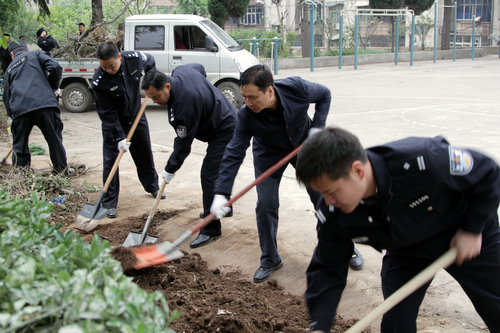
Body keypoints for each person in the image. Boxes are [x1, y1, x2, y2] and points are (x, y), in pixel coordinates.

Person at [295, 127, 500, 333]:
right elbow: (327, 269)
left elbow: (488, 172)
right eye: (322, 193)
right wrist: (320, 325)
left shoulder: (424, 160)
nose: (327, 201)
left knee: (495, 303)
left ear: (358, 171)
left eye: (331, 191)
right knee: (396, 321)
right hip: (407, 249)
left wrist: (473, 229)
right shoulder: (333, 212)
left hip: (463, 235)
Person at [210, 64, 364, 283]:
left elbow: (324, 95)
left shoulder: (297, 88)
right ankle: (270, 258)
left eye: (253, 97)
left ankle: (346, 248)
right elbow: (234, 151)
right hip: (268, 154)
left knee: (324, 198)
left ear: (270, 90)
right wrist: (222, 192)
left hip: (304, 146)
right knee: (266, 205)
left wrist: (317, 128)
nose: (247, 103)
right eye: (244, 97)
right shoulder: (246, 115)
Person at [141, 65, 237, 248]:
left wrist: (170, 168)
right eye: (150, 97)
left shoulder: (184, 105)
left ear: (167, 86)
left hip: (225, 129)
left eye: (156, 96)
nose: (154, 101)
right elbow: (200, 69)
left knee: (209, 174)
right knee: (215, 172)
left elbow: (184, 145)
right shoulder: (181, 72)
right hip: (219, 119)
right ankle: (223, 207)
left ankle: (211, 229)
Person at [91, 41, 163, 219]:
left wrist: (150, 81)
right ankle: (108, 202)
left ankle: (152, 186)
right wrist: (119, 137)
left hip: (136, 115)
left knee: (144, 152)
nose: (108, 69)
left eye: (112, 65)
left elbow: (151, 61)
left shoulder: (134, 59)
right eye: (104, 66)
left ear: (120, 57)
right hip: (114, 123)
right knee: (111, 161)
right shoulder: (99, 82)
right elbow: (106, 114)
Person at [3, 39, 67, 174]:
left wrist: (13, 117)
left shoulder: (9, 69)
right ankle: (61, 174)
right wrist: (53, 87)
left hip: (20, 110)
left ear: (12, 55)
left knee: (20, 148)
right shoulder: (36, 54)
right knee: (54, 142)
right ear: (26, 50)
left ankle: (21, 179)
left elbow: (7, 97)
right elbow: (55, 66)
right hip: (45, 105)